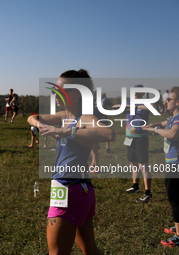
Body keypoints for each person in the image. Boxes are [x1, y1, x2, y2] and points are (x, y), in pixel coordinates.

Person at [28, 69, 115, 255]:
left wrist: (67, 132)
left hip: (68, 190)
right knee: (89, 249)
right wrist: (41, 126)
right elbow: (32, 116)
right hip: (82, 189)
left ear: (77, 94)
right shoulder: (63, 116)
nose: (55, 93)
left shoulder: (84, 118)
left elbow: (109, 133)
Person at [143, 85, 179, 247]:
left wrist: (154, 129)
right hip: (173, 163)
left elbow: (173, 133)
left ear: (178, 102)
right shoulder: (173, 117)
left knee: (175, 197)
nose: (166, 101)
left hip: (178, 164)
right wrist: (150, 127)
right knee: (174, 195)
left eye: (169, 99)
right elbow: (163, 123)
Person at [113, 85, 153, 202]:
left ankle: (148, 192)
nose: (135, 93)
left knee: (143, 165)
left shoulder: (146, 103)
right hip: (129, 137)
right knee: (133, 163)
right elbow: (115, 107)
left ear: (143, 93)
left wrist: (133, 106)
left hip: (141, 138)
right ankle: (135, 186)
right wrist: (122, 106)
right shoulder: (129, 103)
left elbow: (151, 107)